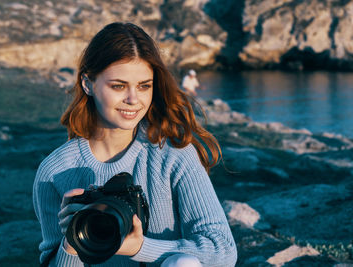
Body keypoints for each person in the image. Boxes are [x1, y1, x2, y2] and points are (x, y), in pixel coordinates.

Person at [33, 22, 237, 267]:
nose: (133, 100)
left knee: (182, 263)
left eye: (144, 86)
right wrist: (72, 243)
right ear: (88, 84)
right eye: (118, 86)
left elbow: (223, 250)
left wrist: (141, 248)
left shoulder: (172, 155)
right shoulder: (54, 172)